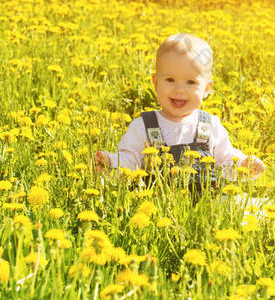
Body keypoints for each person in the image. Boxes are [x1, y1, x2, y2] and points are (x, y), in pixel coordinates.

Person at [95, 33, 265, 188]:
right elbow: (131, 160)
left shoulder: (210, 125)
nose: (179, 90)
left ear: (206, 88)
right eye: (170, 79)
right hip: (157, 207)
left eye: (191, 82)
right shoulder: (142, 127)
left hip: (206, 207)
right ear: (155, 82)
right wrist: (111, 162)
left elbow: (225, 161)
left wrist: (243, 165)